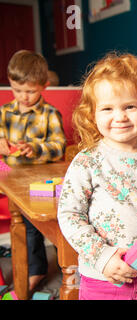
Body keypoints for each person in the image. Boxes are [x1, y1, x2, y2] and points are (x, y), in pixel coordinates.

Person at [57, 53, 137, 300]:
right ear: (92, 114)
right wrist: (103, 257)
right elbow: (70, 215)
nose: (120, 116)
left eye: (130, 106)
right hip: (102, 278)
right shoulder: (87, 161)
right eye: (107, 108)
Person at [0, 50, 66, 291]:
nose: (23, 97)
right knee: (28, 231)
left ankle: (68, 265)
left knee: (51, 224)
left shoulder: (50, 114)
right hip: (16, 182)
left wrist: (36, 148)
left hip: (42, 182)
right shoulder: (5, 112)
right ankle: (36, 270)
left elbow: (58, 147)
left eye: (30, 91)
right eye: (17, 90)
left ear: (44, 86)